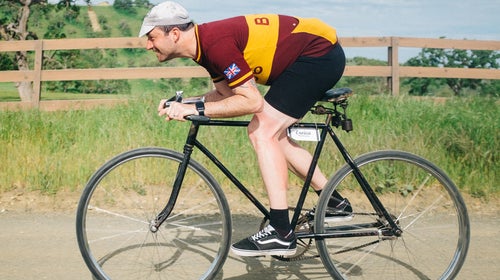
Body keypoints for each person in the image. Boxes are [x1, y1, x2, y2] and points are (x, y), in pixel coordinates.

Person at [139, 1, 352, 257]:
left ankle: (281, 232)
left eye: (152, 37)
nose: (148, 45)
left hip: (318, 53)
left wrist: (195, 110)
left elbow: (251, 101)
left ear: (174, 34)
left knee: (261, 131)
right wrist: (186, 103)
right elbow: (225, 95)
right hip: (311, 55)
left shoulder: (215, 45)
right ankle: (334, 203)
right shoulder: (204, 49)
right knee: (275, 135)